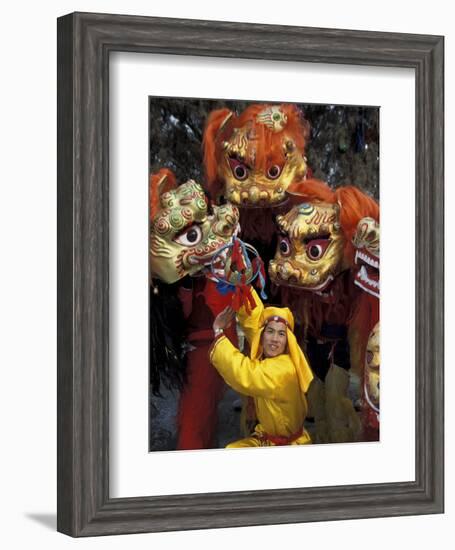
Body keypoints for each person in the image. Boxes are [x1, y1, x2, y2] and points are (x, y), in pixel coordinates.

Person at [210, 288, 314, 447]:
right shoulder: (272, 354)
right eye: (270, 332)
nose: (274, 339)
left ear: (288, 341)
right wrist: (244, 286)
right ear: (262, 335)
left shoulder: (283, 370)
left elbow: (245, 373)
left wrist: (218, 331)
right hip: (267, 438)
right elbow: (254, 322)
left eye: (281, 334)